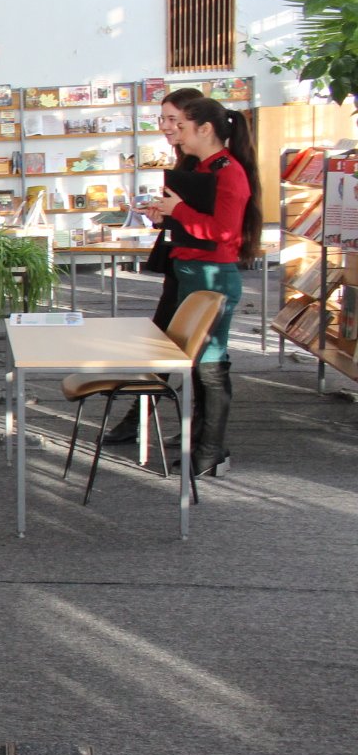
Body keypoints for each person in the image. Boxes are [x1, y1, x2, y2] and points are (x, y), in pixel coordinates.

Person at [142, 94, 261, 477]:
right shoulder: (205, 167)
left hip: (212, 277)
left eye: (181, 125)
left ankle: (212, 452)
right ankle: (202, 444)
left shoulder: (227, 171)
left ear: (205, 129)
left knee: (211, 366)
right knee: (198, 365)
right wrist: (167, 216)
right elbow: (199, 224)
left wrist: (179, 211)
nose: (173, 132)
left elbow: (223, 231)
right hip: (195, 273)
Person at [105, 86, 207, 445]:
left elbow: (214, 226)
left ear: (194, 122)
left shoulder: (208, 163)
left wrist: (175, 212)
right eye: (162, 118)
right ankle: (140, 418)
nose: (164, 126)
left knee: (192, 351)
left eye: (171, 119)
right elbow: (189, 218)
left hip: (200, 269)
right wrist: (164, 215)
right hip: (182, 264)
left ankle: (195, 431)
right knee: (165, 343)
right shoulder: (187, 160)